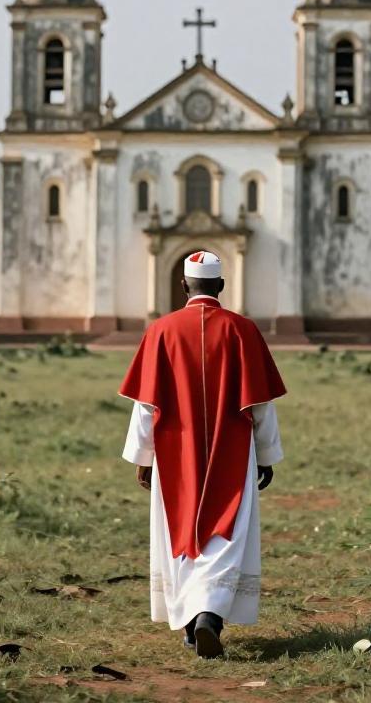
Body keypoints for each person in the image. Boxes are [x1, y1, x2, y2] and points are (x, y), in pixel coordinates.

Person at [119, 249, 286, 659]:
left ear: (183, 285)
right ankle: (211, 616)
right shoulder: (243, 330)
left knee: (179, 534)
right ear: (222, 286)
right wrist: (266, 454)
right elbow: (261, 403)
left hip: (175, 453)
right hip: (233, 451)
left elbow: (146, 405)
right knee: (226, 533)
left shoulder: (161, 331)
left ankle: (194, 623)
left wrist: (144, 455)